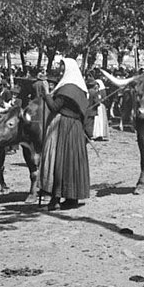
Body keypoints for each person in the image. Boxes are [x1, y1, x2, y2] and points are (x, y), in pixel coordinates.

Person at [38, 58, 90, 211]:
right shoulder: (80, 88)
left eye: (62, 67)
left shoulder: (67, 88)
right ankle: (71, 198)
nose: (60, 70)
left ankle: (55, 198)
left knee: (59, 160)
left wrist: (46, 92)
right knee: (72, 160)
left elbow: (54, 106)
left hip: (64, 126)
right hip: (76, 128)